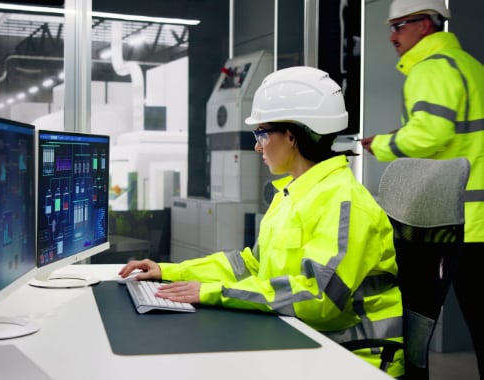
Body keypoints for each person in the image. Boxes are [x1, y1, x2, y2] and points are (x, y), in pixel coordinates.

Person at [120, 66, 404, 377]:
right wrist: (170, 271)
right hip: (303, 336)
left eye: (262, 134)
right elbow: (251, 266)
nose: (257, 146)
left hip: (355, 357)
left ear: (292, 135)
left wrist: (214, 293)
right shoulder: (296, 193)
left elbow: (318, 297)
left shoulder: (345, 203)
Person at [360, 0, 484, 376]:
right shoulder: (470, 66)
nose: (392, 36)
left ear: (427, 25)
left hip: (453, 222)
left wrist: (382, 144)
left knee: (417, 323)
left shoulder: (431, 69)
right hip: (475, 220)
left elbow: (430, 133)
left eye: (400, 25)